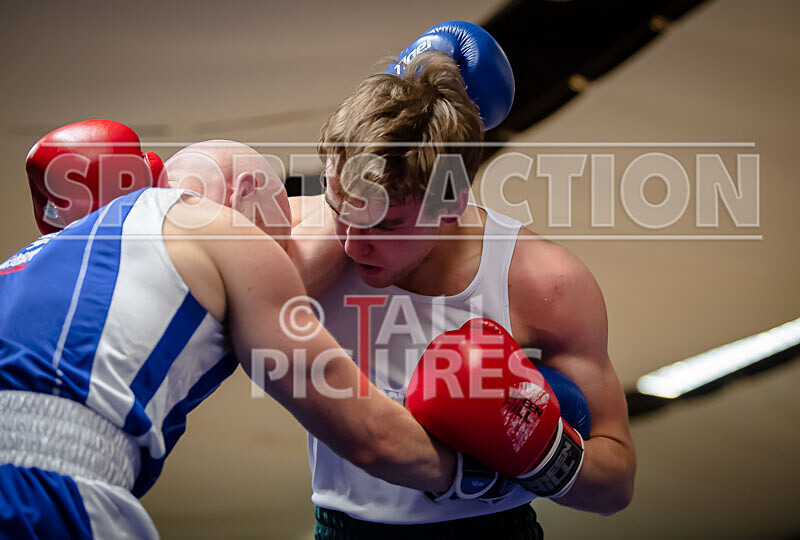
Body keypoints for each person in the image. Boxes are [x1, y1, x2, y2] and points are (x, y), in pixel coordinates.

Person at [0, 120, 458, 539]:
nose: (282, 254)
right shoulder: (223, 230)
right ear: (245, 190)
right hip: (47, 489)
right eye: (281, 229)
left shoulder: (34, 258)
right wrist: (483, 470)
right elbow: (369, 435)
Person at [292, 21, 636, 538]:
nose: (352, 244)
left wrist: (538, 451)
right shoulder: (309, 240)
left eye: (386, 224)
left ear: (450, 203)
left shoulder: (545, 282)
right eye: (341, 208)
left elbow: (617, 484)